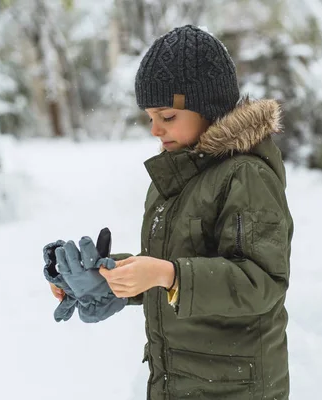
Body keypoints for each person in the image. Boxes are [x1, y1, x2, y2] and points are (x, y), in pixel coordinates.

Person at [48, 24, 293, 400]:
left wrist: (169, 274)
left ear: (207, 107)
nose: (155, 130)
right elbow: (173, 269)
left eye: (167, 116)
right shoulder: (180, 173)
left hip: (235, 387)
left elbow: (261, 282)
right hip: (177, 382)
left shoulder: (246, 175)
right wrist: (112, 277)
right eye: (150, 117)